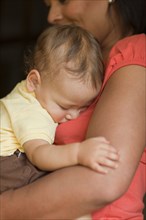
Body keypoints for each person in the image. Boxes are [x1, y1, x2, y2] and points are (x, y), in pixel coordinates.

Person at [0, 0, 145, 219]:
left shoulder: (135, 54)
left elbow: (103, 181)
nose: (51, 16)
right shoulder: (70, 64)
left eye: (63, 0)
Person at [0, 24, 120, 194]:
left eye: (83, 107)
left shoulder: (32, 92)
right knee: (54, 187)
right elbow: (39, 154)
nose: (73, 115)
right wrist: (79, 153)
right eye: (65, 106)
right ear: (34, 81)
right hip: (7, 164)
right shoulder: (31, 112)